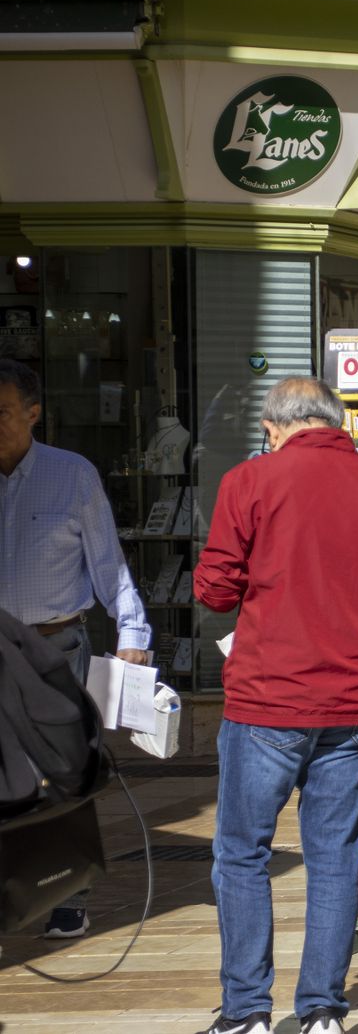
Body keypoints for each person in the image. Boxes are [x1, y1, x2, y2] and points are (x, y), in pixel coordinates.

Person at [194, 377, 358, 1034]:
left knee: (242, 853)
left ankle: (246, 1013)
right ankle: (322, 1010)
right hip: (353, 703)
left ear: (273, 427)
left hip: (269, 698)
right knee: (332, 855)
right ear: (335, 422)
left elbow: (214, 590)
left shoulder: (250, 481)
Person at [0, 358, 152, 940]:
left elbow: (107, 562)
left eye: (3, 411)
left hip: (54, 647)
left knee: (60, 768)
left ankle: (66, 889)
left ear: (34, 414)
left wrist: (133, 633)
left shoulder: (71, 474)